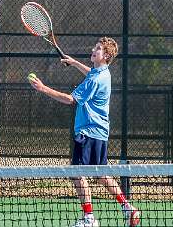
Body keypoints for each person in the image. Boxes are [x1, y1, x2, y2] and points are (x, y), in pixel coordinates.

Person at [29, 37, 140, 227]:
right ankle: (128, 208)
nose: (93, 49)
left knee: (76, 172)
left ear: (105, 55)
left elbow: (69, 99)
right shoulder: (104, 73)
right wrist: (74, 63)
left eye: (97, 48)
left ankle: (89, 218)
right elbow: (90, 72)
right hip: (100, 132)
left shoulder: (95, 79)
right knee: (100, 175)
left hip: (87, 132)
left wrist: (43, 88)